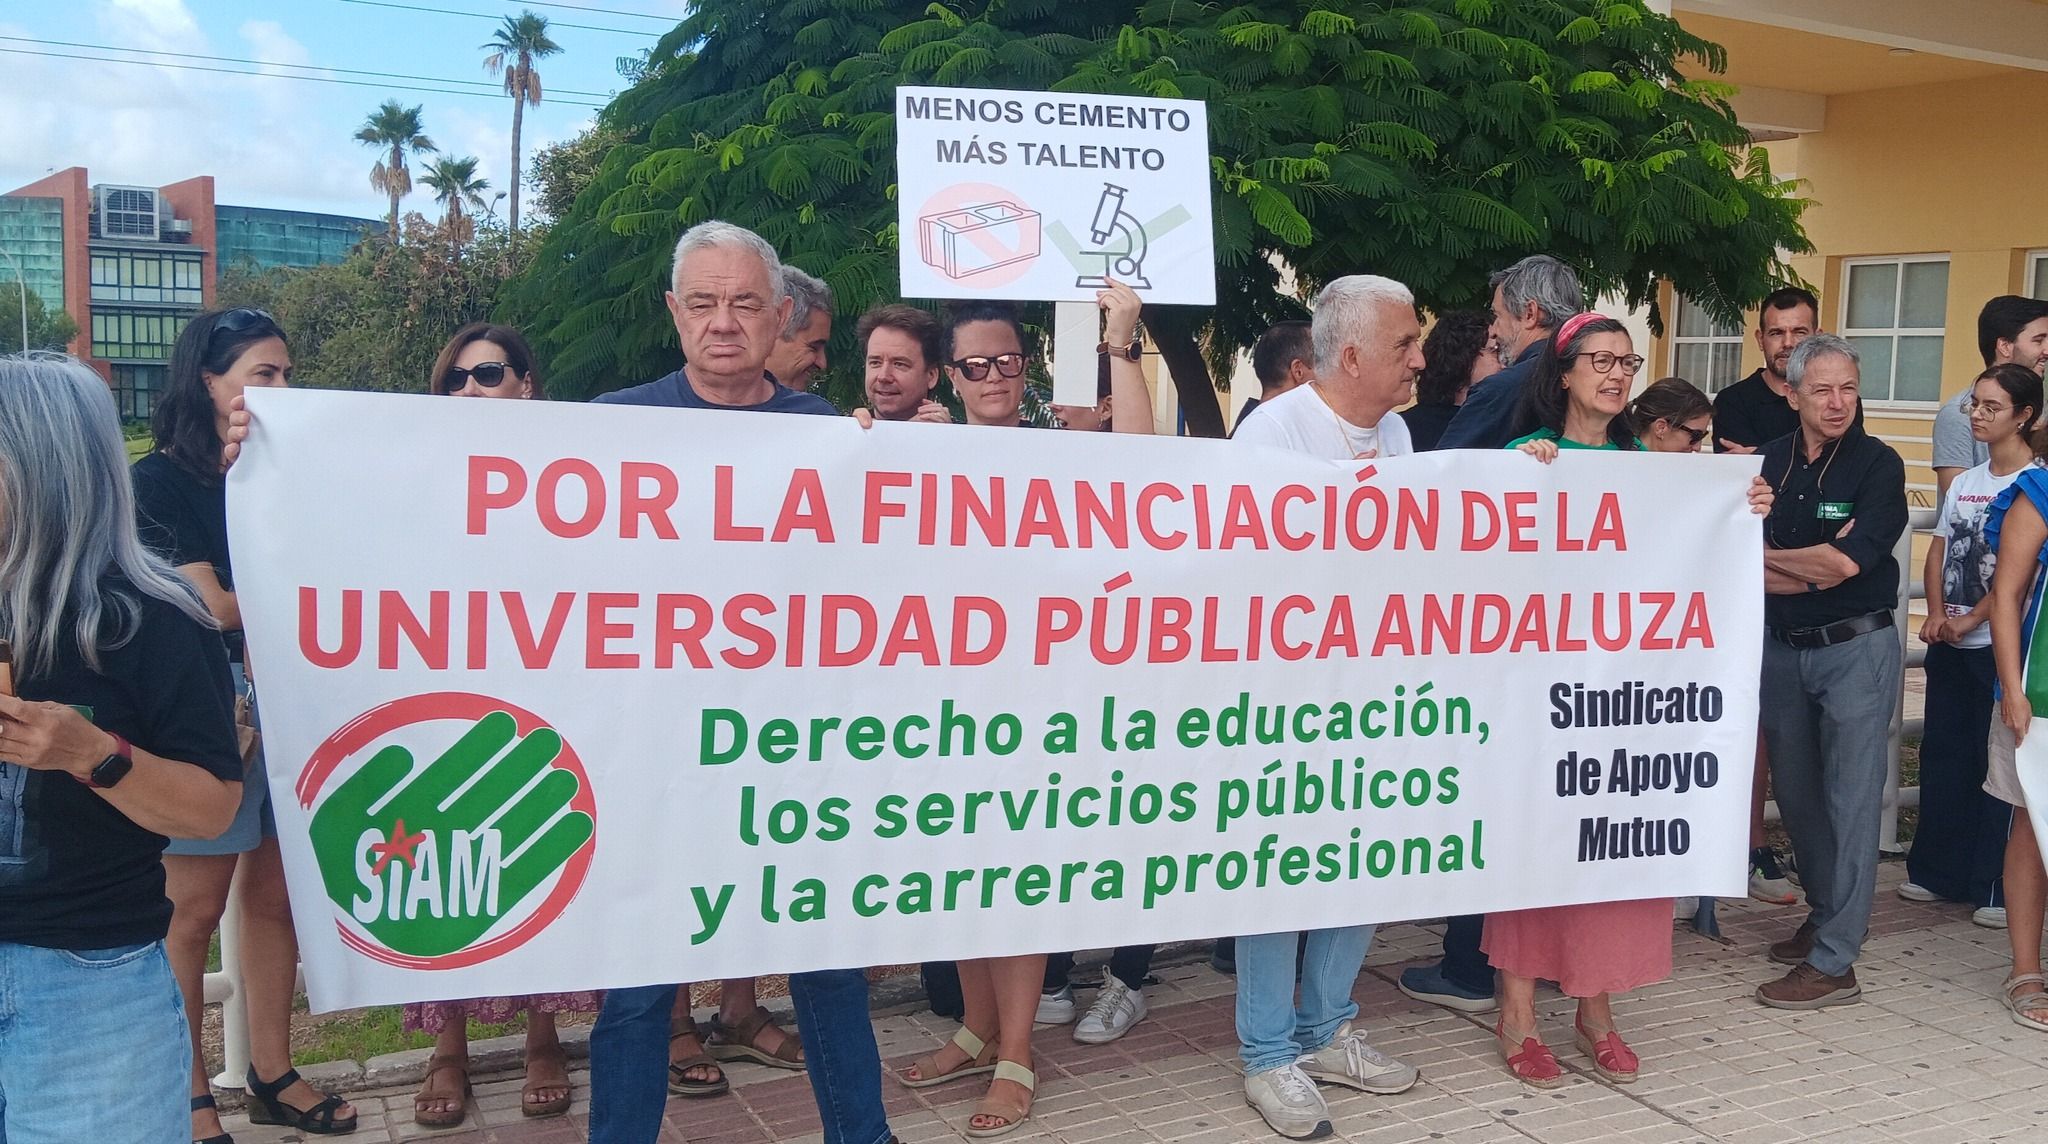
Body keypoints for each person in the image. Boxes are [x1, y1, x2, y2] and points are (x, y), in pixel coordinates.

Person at [582, 220, 895, 1144]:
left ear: (781, 316)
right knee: (639, 989)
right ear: (675, 313)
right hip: (653, 763)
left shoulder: (835, 438)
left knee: (825, 972)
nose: (726, 321)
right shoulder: (607, 426)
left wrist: (912, 464)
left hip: (795, 759)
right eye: (707, 302)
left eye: (747, 303)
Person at [894, 285, 1149, 1139]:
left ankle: (1016, 1054)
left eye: (1008, 360)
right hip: (944, 707)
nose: (994, 375)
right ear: (950, 375)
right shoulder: (917, 457)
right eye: (976, 364)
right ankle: (973, 1029)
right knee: (958, 872)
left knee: (1017, 879)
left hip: (1038, 710)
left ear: (1027, 365)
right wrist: (882, 446)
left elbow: (1143, 463)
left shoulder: (1062, 452)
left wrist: (1121, 340)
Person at [0, 353, 244, 1144]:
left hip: (85, 987)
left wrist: (93, 753)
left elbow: (212, 809)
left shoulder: (153, 617)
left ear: (41, 465)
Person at [136, 310, 359, 1141]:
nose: (282, 390)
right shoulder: (156, 484)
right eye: (265, 373)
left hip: (300, 698)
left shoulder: (293, 473)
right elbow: (214, 603)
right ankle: (190, 1093)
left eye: (288, 374)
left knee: (277, 897)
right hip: (207, 709)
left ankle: (273, 1070)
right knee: (192, 908)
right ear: (208, 381)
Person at [1230, 276, 1423, 1138]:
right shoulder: (1271, 433)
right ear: (1351, 356)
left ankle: (1327, 1026)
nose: (1421, 359)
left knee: (1361, 858)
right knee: (1277, 872)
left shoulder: (1400, 431)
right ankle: (1268, 1052)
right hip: (1287, 701)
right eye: (1406, 345)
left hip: (1375, 695)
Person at [404, 323, 600, 1128]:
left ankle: (542, 1036)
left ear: (527, 384)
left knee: (534, 847)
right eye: (455, 380)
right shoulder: (409, 471)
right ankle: (445, 1048)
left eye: (487, 375)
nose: (470, 392)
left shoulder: (578, 473)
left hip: (547, 688)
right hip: (438, 692)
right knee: (442, 855)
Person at [1487, 315, 1668, 1086]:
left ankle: (1597, 1007)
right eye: (1601, 360)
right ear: (1562, 373)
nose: (1617, 373)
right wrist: (1516, 480)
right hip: (1538, 695)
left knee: (1609, 845)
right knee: (1537, 843)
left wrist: (1743, 502)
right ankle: (1518, 1012)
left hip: (1623, 698)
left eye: (1626, 361)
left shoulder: (1647, 465)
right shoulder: (1522, 458)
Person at [1755, 334, 1908, 1010]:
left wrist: (1781, 562)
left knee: (1851, 801)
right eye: (1822, 389)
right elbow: (1740, 554)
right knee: (1797, 794)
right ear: (1793, 393)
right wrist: (1809, 564)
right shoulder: (1768, 461)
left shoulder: (1878, 465)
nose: (1838, 401)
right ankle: (1823, 912)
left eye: (1848, 387)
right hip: (1783, 648)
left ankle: (1836, 959)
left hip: (1855, 648)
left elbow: (1846, 567)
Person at [1713, 288, 1847, 905]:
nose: (1788, 342)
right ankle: (1748, 849)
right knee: (1752, 732)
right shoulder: (1735, 403)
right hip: (1751, 604)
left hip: (1819, 615)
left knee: (1813, 752)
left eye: (1800, 331)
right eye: (1776, 332)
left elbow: (1842, 547)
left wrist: (1815, 558)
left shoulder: (1842, 408)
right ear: (1760, 338)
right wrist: (1811, 558)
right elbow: (1736, 491)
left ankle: (1814, 872)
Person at [1900, 363, 2044, 932]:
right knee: (1944, 753)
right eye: (1974, 405)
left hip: (1996, 643)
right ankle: (1938, 871)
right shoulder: (1966, 480)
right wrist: (1937, 614)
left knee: (1998, 769)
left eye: (1992, 407)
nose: (1978, 416)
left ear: (2024, 416)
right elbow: (1939, 550)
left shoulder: (2032, 484)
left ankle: (1993, 885)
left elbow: (2019, 579)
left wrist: (1973, 621)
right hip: (1950, 639)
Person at [1984, 415, 2048, 1034]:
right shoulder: (2041, 489)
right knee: (2032, 820)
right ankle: (2025, 968)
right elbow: (2007, 594)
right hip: (2042, 691)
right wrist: (2011, 689)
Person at [1435, 254, 1584, 450]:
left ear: (1530, 314)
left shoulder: (1500, 389)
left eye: (1497, 315)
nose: (1494, 331)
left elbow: (1446, 467)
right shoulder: (1598, 385)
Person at [1934, 296, 2048, 504]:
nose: (2046, 351)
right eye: (2038, 340)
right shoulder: (1958, 414)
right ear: (2005, 346)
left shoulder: (2043, 408)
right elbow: (1960, 507)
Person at [1406, 310, 1499, 451]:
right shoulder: (1402, 429)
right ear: (1464, 356)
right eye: (1495, 350)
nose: (1505, 363)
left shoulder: (1501, 419)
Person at [858, 304, 952, 424]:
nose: (883, 377)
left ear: (931, 376)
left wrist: (949, 438)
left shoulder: (963, 439)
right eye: (875, 362)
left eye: (899, 364)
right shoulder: (843, 435)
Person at [1230, 320, 1313, 436]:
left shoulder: (1257, 427)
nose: (1327, 374)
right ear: (1298, 371)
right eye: (1322, 365)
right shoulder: (1263, 431)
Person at [763, 266, 834, 391]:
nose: (822, 363)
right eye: (814, 347)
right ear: (776, 324)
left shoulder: (816, 409)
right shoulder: (718, 406)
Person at [1628, 377, 1714, 453]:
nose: (1697, 447)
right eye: (1695, 436)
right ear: (1661, 428)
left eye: (1702, 436)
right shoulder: (1621, 465)